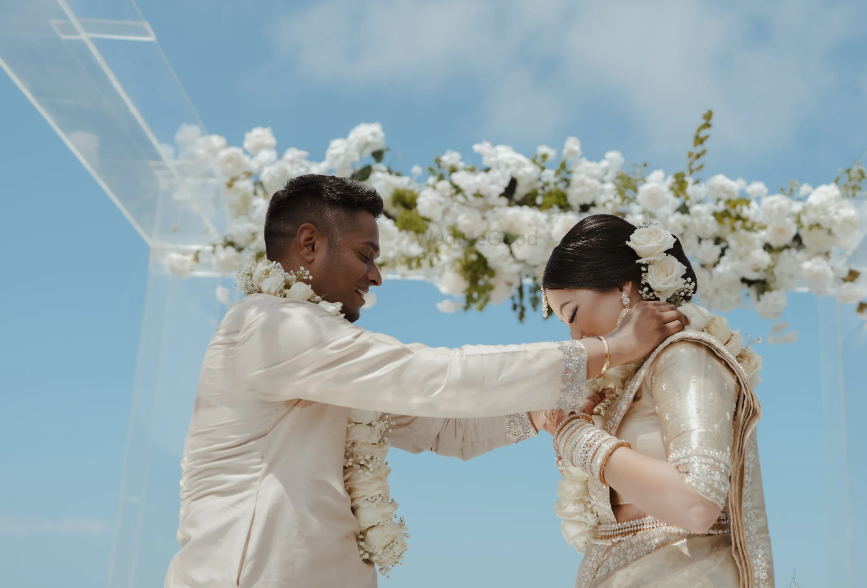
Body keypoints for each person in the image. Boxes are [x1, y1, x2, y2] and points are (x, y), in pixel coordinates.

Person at [164, 175, 688, 588]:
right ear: (308, 244)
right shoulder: (270, 326)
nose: (376, 276)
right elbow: (431, 377)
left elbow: (437, 427)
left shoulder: (324, 357)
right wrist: (607, 350)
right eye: (365, 255)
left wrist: (538, 414)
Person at [539, 214, 774, 588]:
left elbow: (696, 505)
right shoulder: (629, 382)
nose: (574, 335)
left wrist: (576, 439)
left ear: (623, 288)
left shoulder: (684, 356)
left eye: (573, 313)